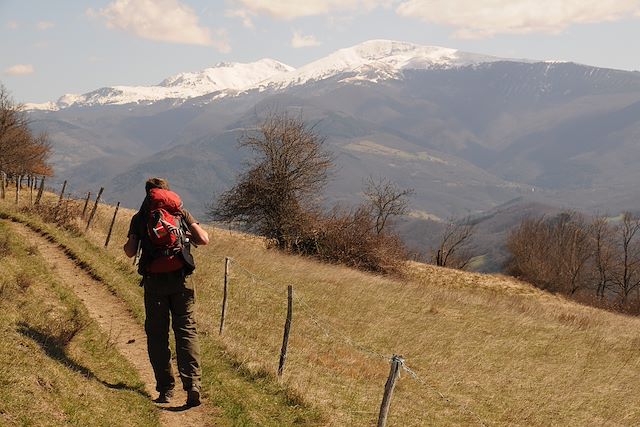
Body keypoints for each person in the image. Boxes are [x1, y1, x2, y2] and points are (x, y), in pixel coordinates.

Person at [123, 177, 209, 407]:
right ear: (167, 193)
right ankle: (193, 385)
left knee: (157, 335)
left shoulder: (140, 218)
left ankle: (166, 389)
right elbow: (203, 239)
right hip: (182, 280)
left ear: (148, 194)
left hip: (154, 283)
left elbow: (130, 252)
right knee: (186, 330)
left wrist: (134, 240)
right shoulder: (180, 212)